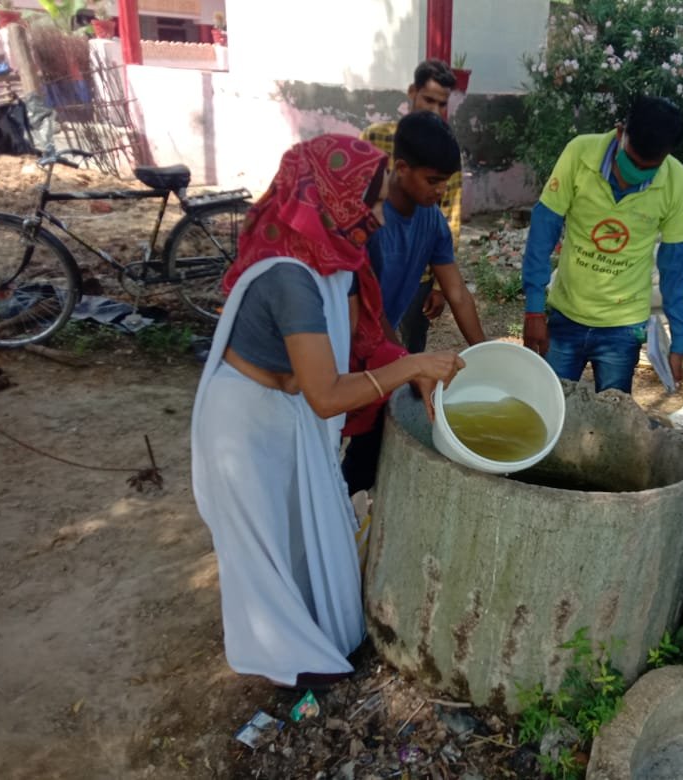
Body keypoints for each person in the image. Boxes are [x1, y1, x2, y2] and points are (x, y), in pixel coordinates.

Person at [191, 135, 464, 690]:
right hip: (245, 421)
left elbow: (364, 337)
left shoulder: (329, 252)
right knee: (261, 549)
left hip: (282, 411)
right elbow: (326, 395)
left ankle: (313, 636)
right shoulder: (290, 274)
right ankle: (289, 663)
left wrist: (410, 370)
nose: (379, 217)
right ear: (331, 199)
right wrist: (412, 367)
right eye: (369, 204)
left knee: (300, 532)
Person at [341, 110, 485, 495]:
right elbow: (368, 314)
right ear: (401, 168)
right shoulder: (367, 219)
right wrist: (408, 363)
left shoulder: (432, 222)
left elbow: (457, 293)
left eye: (446, 182)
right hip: (342, 348)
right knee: (324, 444)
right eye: (433, 181)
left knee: (369, 449)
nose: (440, 191)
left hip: (378, 348)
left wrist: (485, 355)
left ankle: (350, 516)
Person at [521, 95, 683, 393]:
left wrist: (678, 343)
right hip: (566, 316)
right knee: (549, 406)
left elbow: (675, 268)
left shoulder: (678, 182)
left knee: (613, 420)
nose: (635, 174)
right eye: (633, 161)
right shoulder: (580, 154)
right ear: (620, 132)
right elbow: (542, 232)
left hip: (624, 328)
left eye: (648, 167)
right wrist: (534, 310)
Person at [360, 58, 463, 353]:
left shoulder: (432, 214)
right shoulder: (368, 225)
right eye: (428, 100)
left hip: (420, 271)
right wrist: (406, 367)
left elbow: (450, 217)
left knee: (412, 342)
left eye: (441, 104)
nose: (434, 110)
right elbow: (367, 309)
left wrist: (440, 285)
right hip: (372, 284)